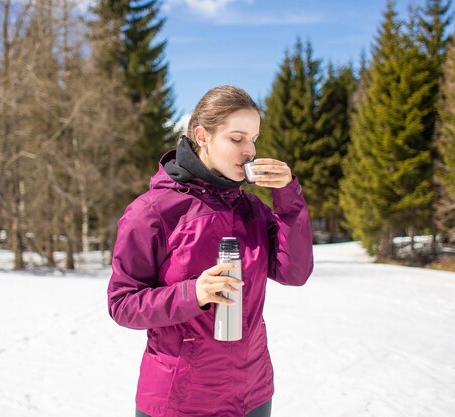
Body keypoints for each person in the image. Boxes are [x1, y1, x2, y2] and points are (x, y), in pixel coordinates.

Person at [107, 85, 314, 417]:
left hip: (253, 395)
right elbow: (123, 304)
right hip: (180, 400)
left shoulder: (253, 209)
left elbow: (294, 273)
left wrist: (288, 198)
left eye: (254, 139)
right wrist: (194, 293)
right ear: (202, 136)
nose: (249, 150)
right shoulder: (152, 212)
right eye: (236, 139)